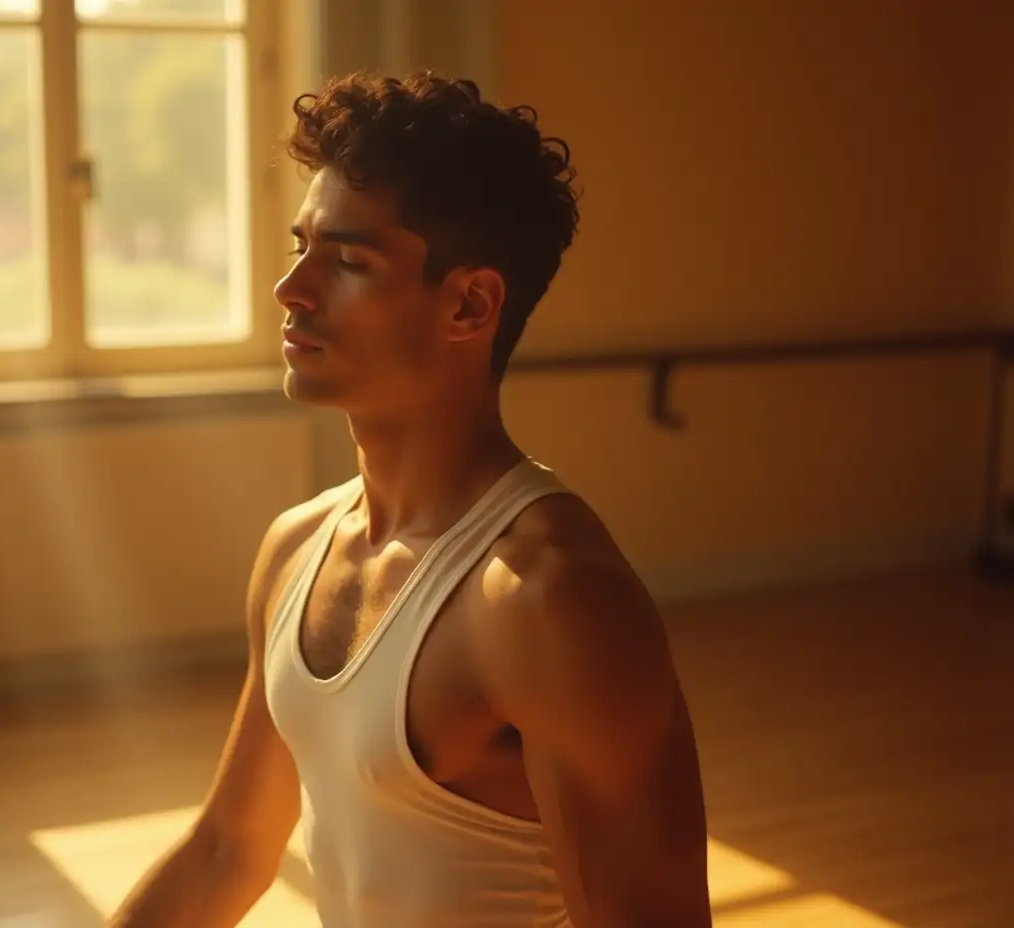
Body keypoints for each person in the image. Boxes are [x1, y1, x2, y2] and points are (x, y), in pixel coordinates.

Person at [110, 72, 712, 927]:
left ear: (469, 303)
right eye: (300, 246)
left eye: (349, 261)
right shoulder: (297, 546)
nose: (293, 290)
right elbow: (228, 850)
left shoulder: (550, 600)